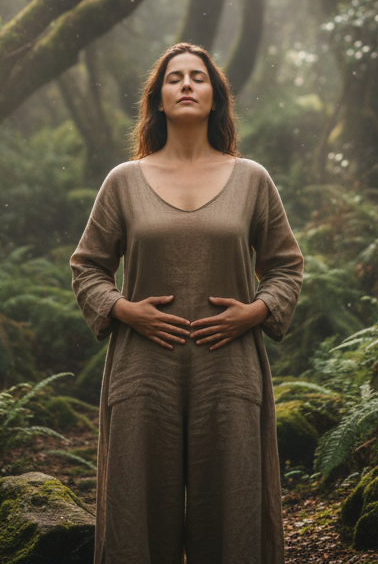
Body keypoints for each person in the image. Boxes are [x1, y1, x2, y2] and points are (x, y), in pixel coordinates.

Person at [71, 42, 303, 564]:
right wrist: (124, 309)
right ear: (157, 99)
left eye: (198, 77)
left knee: (232, 511)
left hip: (230, 368)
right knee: (137, 512)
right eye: (174, 78)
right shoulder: (123, 181)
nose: (186, 85)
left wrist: (256, 312)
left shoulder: (252, 179)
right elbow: (87, 266)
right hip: (142, 369)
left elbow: (287, 265)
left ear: (216, 96)